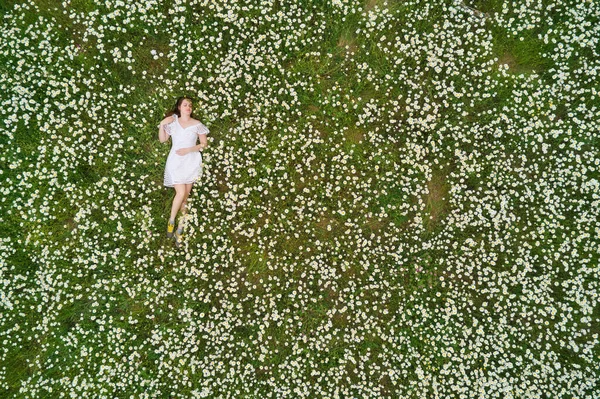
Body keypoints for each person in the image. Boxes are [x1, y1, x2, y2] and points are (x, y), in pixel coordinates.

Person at [158, 96, 209, 246]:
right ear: (179, 107)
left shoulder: (197, 124)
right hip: (175, 161)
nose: (188, 107)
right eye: (185, 105)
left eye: (190, 105)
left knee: (185, 198)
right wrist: (162, 125)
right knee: (180, 193)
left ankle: (180, 229)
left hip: (191, 160)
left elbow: (204, 144)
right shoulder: (173, 122)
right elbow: (162, 140)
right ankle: (172, 221)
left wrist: (189, 149)